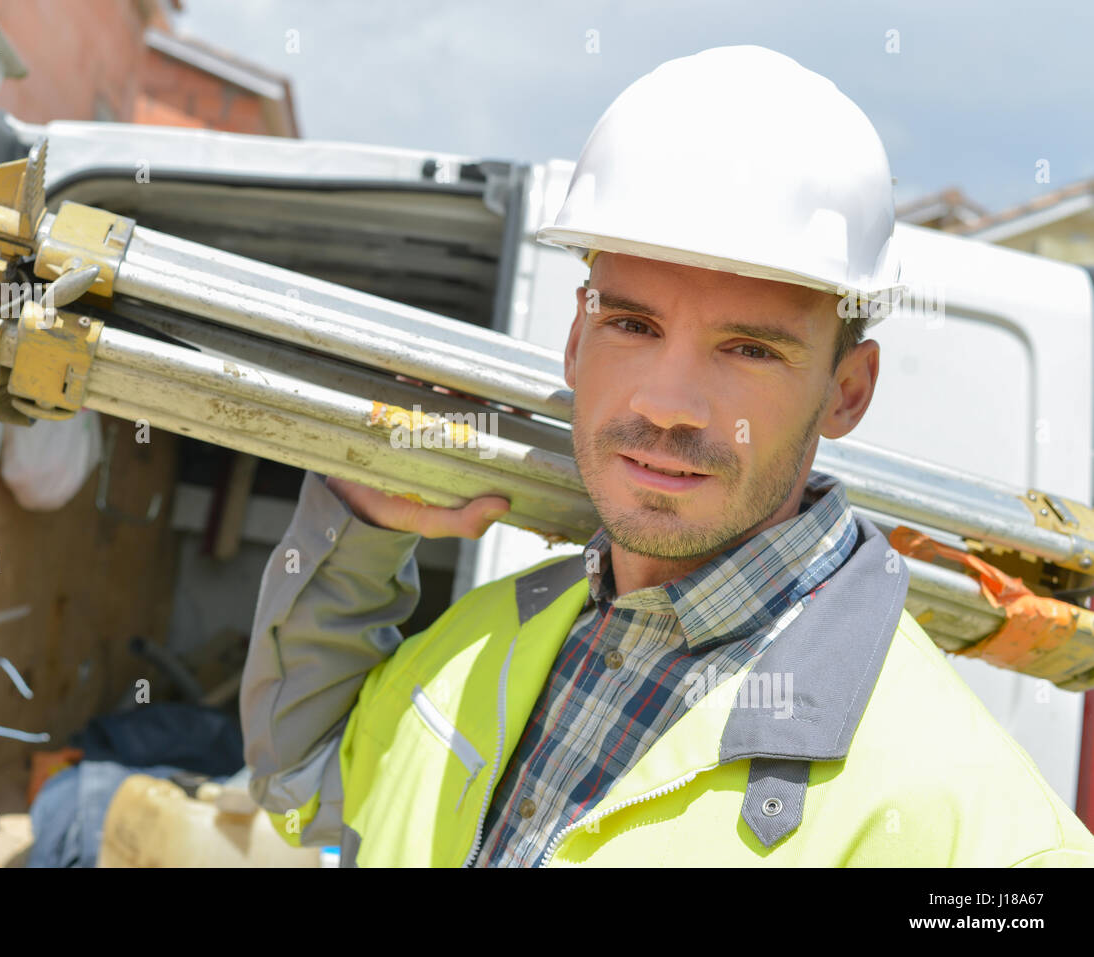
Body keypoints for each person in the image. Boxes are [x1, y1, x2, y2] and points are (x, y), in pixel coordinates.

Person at [240, 45, 1094, 866]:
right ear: (576, 339)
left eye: (750, 349)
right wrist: (356, 527)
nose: (665, 403)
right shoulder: (492, 638)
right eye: (633, 325)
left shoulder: (986, 837)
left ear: (848, 391)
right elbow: (305, 789)